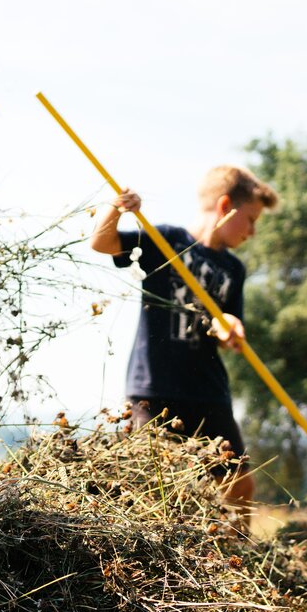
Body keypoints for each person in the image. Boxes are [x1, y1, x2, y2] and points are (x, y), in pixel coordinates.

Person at [89, 165, 278, 528]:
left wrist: (230, 330)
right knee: (153, 488)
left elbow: (229, 329)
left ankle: (238, 561)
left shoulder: (234, 269)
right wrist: (116, 207)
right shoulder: (166, 242)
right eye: (251, 220)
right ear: (226, 206)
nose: (253, 232)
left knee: (238, 484)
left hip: (208, 390)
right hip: (154, 387)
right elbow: (101, 243)